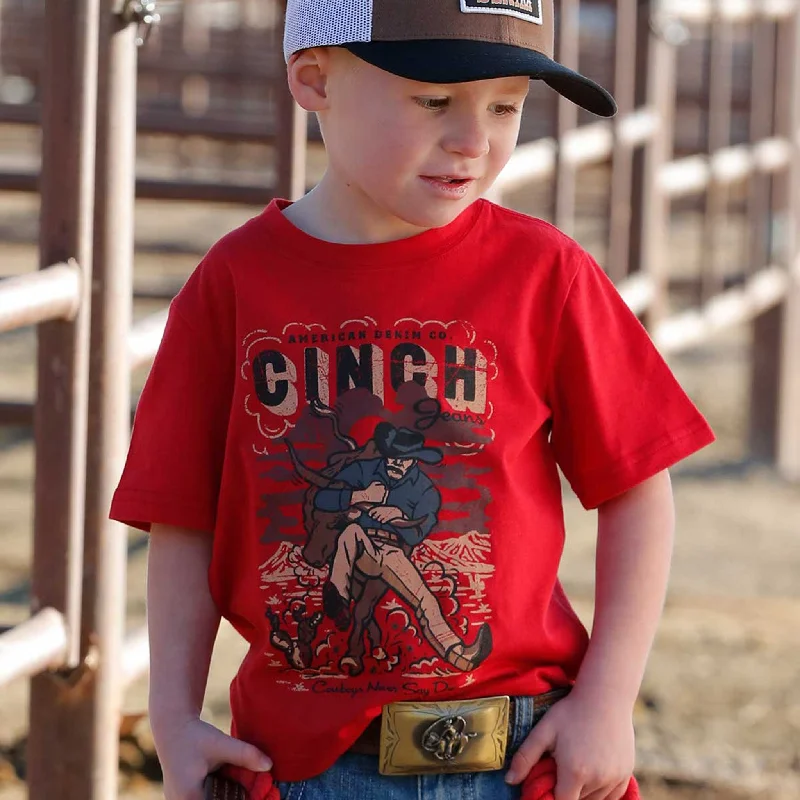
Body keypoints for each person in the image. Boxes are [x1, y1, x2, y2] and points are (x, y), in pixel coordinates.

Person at [110, 0, 715, 798]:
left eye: (506, 106)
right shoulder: (234, 284)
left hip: (522, 756)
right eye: (434, 100)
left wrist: (608, 698)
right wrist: (174, 716)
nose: (474, 139)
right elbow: (183, 517)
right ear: (315, 79)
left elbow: (638, 487)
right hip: (305, 769)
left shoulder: (546, 275)